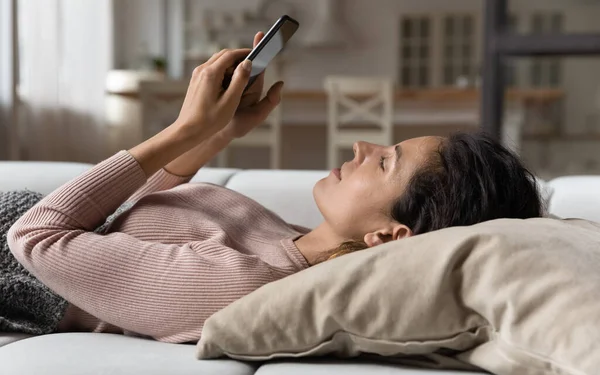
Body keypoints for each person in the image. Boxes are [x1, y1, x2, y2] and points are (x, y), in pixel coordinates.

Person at [7, 33, 543, 343]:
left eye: (384, 164)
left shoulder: (247, 285)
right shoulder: (298, 241)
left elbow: (36, 237)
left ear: (390, 236)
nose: (361, 148)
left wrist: (181, 130)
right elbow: (131, 214)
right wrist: (214, 137)